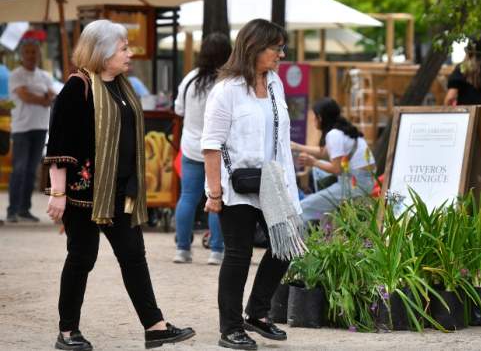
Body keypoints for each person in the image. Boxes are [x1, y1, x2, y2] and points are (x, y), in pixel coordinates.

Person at [44, 19, 194, 351]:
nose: (130, 53)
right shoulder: (77, 87)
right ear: (102, 51)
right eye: (123, 47)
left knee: (133, 255)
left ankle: (154, 327)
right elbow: (59, 146)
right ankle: (67, 332)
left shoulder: (122, 86)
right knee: (82, 258)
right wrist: (57, 193)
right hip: (86, 194)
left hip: (120, 191)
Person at [201, 19, 300, 350]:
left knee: (284, 248)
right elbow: (211, 145)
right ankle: (230, 328)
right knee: (239, 254)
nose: (281, 54)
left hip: (271, 181)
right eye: (276, 48)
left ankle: (257, 313)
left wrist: (289, 186)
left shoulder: (274, 84)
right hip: (236, 185)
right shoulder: (226, 90)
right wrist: (214, 194)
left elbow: (282, 139)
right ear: (254, 47)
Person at [173, 32, 231, 265]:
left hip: (191, 147)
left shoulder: (190, 79)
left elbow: (178, 110)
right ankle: (216, 251)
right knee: (217, 197)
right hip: (217, 150)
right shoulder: (227, 82)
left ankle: (182, 249)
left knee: (187, 197)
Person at [292, 97, 376, 223]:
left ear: (320, 118)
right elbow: (326, 153)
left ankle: (303, 237)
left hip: (355, 184)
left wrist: (313, 162)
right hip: (365, 179)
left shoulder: (333, 135)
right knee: (318, 172)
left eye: (315, 117)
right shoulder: (340, 130)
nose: (314, 120)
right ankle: (325, 215)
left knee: (303, 207)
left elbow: (336, 169)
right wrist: (298, 147)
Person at [7, 39, 55, 223]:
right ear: (22, 55)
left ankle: (24, 209)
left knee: (30, 171)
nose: (30, 55)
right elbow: (24, 96)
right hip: (22, 128)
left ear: (39, 54)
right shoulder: (16, 75)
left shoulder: (44, 76)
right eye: (27, 52)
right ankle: (12, 209)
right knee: (19, 169)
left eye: (34, 52)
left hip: (40, 126)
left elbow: (52, 95)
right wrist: (42, 98)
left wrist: (42, 97)